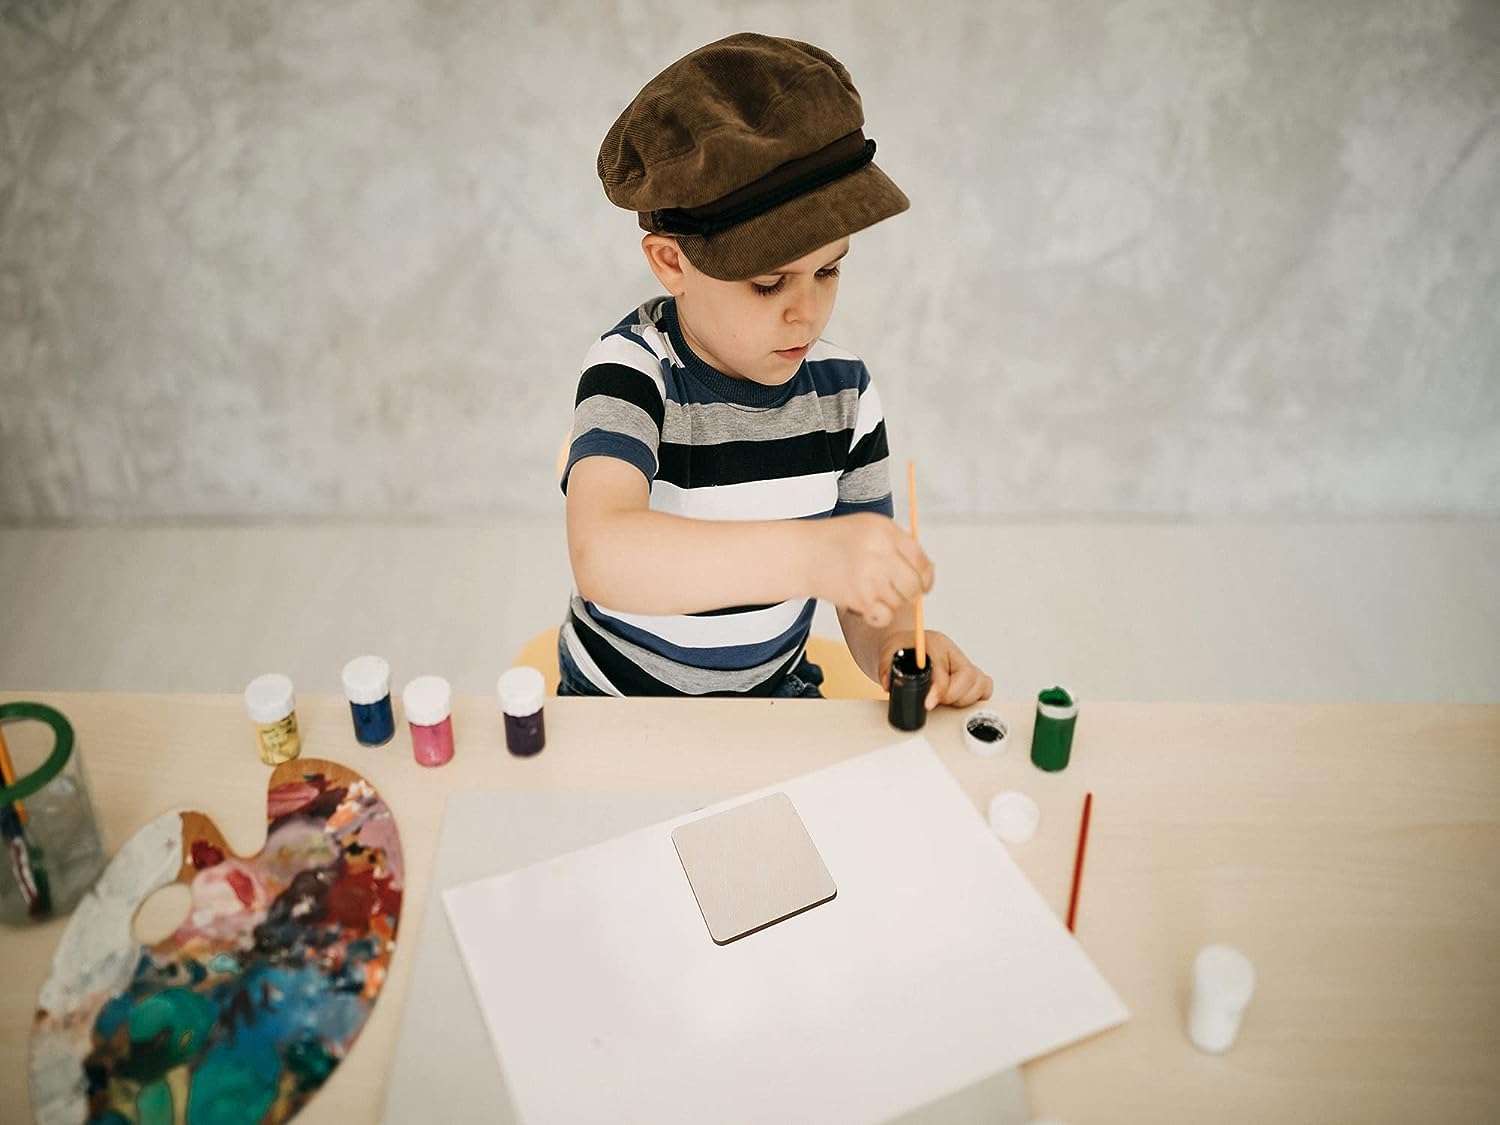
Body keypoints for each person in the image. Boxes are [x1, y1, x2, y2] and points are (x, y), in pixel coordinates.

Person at [558, 32, 993, 707]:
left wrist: (898, 646)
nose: (807, 313)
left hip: (773, 703)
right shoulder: (632, 371)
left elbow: (859, 600)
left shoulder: (844, 392)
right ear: (672, 262)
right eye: (769, 283)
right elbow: (602, 555)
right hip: (617, 704)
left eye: (829, 269)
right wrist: (814, 555)